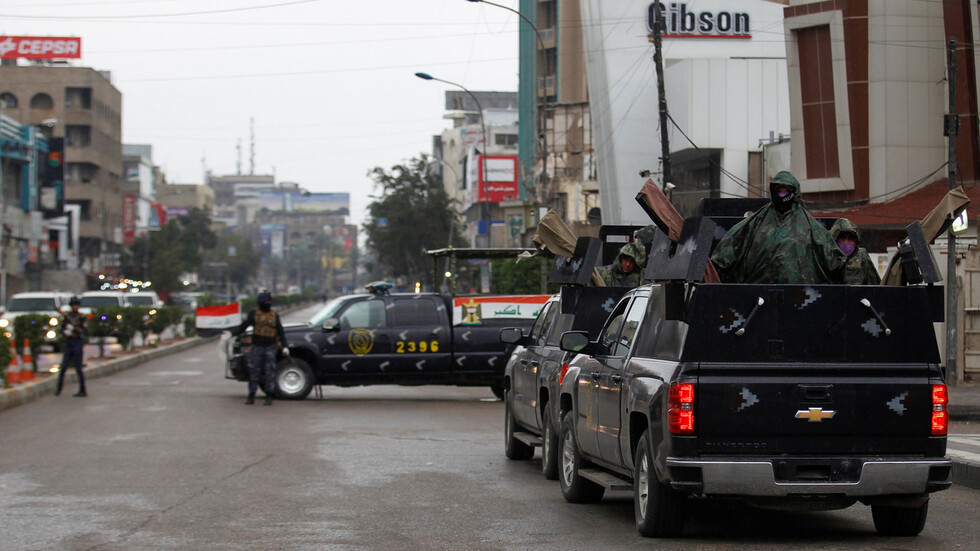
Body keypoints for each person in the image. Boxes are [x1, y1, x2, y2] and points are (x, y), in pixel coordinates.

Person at [711, 171, 846, 284]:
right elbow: (724, 254)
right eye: (778, 190)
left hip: (801, 298)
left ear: (794, 192)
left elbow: (835, 263)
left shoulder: (811, 227)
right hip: (758, 297)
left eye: (786, 190)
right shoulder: (756, 223)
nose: (782, 194)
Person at [236, 291, 288, 406]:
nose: (267, 304)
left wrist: (285, 346)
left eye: (268, 302)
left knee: (269, 372)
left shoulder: (274, 315)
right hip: (256, 347)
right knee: (254, 372)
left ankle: (269, 396)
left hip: (269, 347)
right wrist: (233, 333)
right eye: (265, 302)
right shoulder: (254, 314)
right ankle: (251, 395)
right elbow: (244, 326)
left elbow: (280, 331)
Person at [830, 218, 881, 285]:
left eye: (850, 239)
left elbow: (875, 287)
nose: (846, 242)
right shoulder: (826, 257)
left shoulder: (862, 257)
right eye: (842, 238)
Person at [55, 296, 87, 397]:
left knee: (78, 368)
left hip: (77, 342)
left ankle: (82, 390)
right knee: (64, 367)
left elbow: (85, 330)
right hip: (69, 342)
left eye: (76, 305)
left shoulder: (81, 317)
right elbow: (61, 329)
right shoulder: (67, 317)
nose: (75, 307)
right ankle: (58, 389)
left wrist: (79, 330)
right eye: (73, 305)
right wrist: (66, 332)